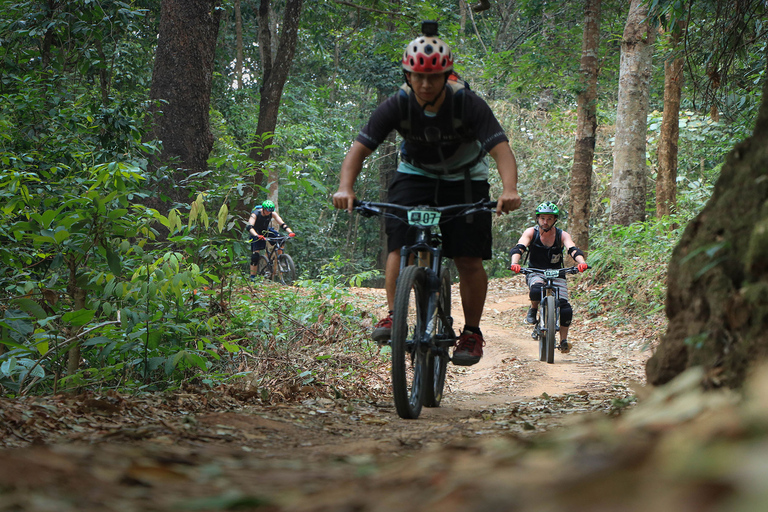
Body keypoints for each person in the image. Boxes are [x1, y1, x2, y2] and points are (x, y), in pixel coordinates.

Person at [332, 23, 522, 366]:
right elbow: (360, 149)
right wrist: (346, 187)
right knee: (399, 244)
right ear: (407, 75)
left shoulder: (468, 103)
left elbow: (501, 150)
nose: (425, 84)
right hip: (416, 174)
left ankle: (472, 333)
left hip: (465, 178)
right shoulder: (398, 105)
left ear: (447, 75)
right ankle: (393, 314)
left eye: (433, 77)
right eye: (417, 76)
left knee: (467, 257)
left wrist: (510, 189)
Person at [509, 201, 588, 353]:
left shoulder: (561, 235)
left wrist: (581, 262)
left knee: (565, 308)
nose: (545, 222)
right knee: (536, 290)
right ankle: (533, 309)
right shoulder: (531, 233)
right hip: (535, 271)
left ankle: (563, 341)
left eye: (549, 219)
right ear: (538, 219)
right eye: (543, 218)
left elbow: (572, 249)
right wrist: (515, 263)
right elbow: (519, 247)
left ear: (555, 220)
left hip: (557, 272)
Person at [247, 200, 295, 280]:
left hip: (266, 230)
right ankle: (252, 277)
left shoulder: (272, 213)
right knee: (255, 256)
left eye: (270, 211)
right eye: (267, 211)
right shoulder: (255, 214)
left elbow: (282, 224)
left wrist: (290, 232)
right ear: (263, 209)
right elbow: (249, 227)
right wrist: (256, 235)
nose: (269, 213)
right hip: (256, 232)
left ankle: (280, 258)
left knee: (281, 239)